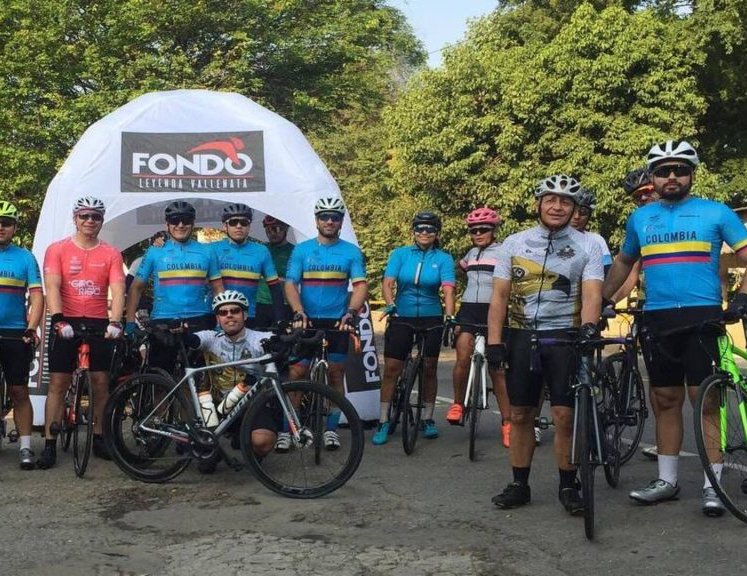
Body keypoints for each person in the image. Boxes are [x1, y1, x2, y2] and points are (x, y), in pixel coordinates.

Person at [602, 140, 747, 516]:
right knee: (665, 400)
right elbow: (624, 262)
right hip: (658, 318)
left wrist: (743, 296)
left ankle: (713, 486)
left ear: (691, 174)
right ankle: (667, 481)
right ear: (652, 176)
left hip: (702, 317)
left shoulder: (716, 212)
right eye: (663, 170)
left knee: (705, 402)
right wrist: (603, 298)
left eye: (680, 170)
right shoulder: (640, 219)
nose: (671, 176)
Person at [487, 175, 603, 515]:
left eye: (565, 202)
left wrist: (589, 329)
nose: (557, 207)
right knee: (521, 413)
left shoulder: (589, 245)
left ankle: (568, 485)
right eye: (550, 200)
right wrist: (494, 341)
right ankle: (519, 484)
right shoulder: (514, 243)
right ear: (538, 204)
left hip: (565, 336)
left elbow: (592, 294)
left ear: (574, 208)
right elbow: (499, 296)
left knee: (565, 416)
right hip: (521, 335)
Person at [40, 196, 126, 469]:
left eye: (96, 217)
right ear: (75, 218)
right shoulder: (58, 249)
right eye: (85, 216)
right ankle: (50, 443)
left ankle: (99, 437)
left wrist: (116, 321)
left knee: (100, 381)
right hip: (67, 318)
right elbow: (52, 286)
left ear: (101, 221)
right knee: (58, 382)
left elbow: (118, 290)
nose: (90, 221)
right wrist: (58, 319)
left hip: (99, 320)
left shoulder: (111, 252)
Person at [284, 197, 368, 450]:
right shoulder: (302, 250)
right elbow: (290, 283)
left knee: (335, 374)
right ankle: (289, 429)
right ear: (316, 220)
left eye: (334, 217)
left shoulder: (351, 252)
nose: (329, 221)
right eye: (324, 217)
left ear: (341, 221)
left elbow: (360, 286)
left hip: (336, 321)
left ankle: (331, 429)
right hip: (307, 321)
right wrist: (298, 312)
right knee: (297, 373)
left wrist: (351, 312)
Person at [372, 211, 456, 445]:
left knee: (429, 367)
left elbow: (449, 289)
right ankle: (383, 419)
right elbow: (388, 283)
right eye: (420, 228)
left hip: (431, 316)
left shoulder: (444, 258)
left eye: (430, 229)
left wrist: (450, 315)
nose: (424, 233)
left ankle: (427, 418)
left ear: (437, 233)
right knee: (392, 368)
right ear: (413, 231)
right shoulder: (400, 254)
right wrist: (390, 304)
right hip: (402, 314)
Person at [183, 290, 276, 473]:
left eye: (235, 311)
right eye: (223, 312)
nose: (229, 315)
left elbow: (277, 340)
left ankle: (247, 445)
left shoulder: (259, 338)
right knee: (206, 463)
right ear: (218, 319)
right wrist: (182, 332)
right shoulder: (211, 338)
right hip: (217, 406)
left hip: (250, 404)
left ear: (245, 315)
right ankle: (213, 450)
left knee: (262, 441)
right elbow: (193, 340)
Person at [125, 201, 224, 372]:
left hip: (199, 320)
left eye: (186, 220)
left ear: (193, 223)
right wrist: (130, 321)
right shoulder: (155, 251)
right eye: (175, 220)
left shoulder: (207, 251)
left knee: (201, 378)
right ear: (167, 224)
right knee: (160, 377)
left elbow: (218, 288)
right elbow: (136, 287)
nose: (180, 224)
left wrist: (221, 320)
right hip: (163, 321)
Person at [446, 207, 512, 447]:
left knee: (497, 370)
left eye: (483, 229)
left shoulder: (504, 252)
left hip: (493, 310)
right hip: (469, 309)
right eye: (473, 231)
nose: (478, 234)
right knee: (462, 354)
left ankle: (507, 423)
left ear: (494, 230)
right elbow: (458, 269)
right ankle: (457, 404)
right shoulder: (471, 253)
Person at [0, 201, 44, 469]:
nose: (1, 227)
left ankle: (26, 447)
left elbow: (37, 295)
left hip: (15, 332)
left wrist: (32, 327)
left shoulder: (25, 257)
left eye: (6, 223)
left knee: (19, 391)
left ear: (14, 227)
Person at [211, 204, 285, 328]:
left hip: (249, 315)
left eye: (244, 223)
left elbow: (275, 288)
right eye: (233, 222)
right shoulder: (212, 249)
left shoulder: (261, 251)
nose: (239, 226)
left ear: (249, 226)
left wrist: (280, 318)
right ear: (224, 226)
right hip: (218, 316)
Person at [610, 168, 660, 305]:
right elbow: (631, 272)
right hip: (652, 302)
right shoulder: (639, 223)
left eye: (647, 191)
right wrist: (609, 301)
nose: (643, 198)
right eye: (637, 196)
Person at [255, 215, 294, 328]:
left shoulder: (295, 252)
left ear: (285, 229)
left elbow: (298, 279)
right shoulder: (261, 250)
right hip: (260, 302)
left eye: (276, 229)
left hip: (285, 303)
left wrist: (276, 279)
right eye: (268, 230)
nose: (272, 233)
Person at [570, 188, 613, 276]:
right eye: (572, 211)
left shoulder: (596, 240)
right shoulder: (549, 238)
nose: (576, 217)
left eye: (583, 212)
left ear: (589, 216)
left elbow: (607, 273)